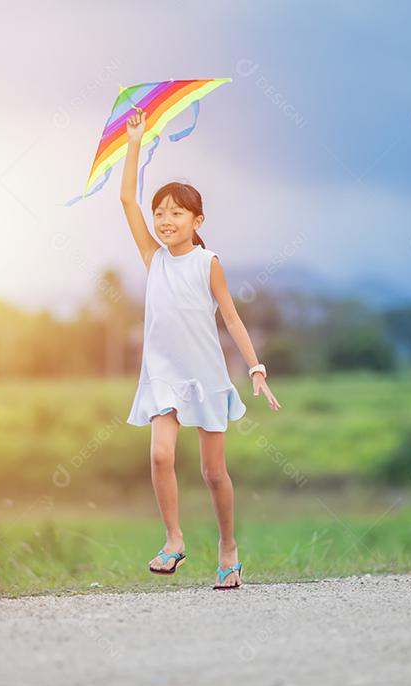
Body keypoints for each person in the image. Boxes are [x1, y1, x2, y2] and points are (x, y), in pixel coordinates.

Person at [120, 106, 282, 590]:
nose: (164, 220)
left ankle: (228, 548)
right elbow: (127, 199)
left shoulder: (208, 261)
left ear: (197, 219)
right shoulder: (154, 258)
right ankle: (174, 540)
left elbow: (230, 316)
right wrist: (134, 143)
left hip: (206, 373)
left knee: (214, 473)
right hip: (163, 372)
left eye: (175, 213)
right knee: (160, 457)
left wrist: (255, 367)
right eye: (160, 213)